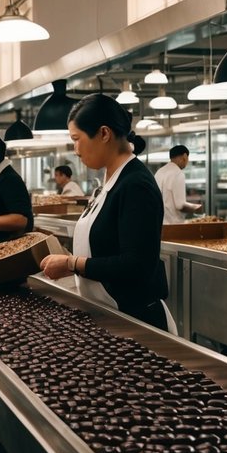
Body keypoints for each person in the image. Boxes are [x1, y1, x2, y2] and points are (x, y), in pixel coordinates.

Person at [39, 94, 173, 332]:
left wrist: (72, 263)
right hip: (108, 313)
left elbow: (136, 264)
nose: (76, 150)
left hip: (135, 320)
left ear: (103, 134)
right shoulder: (110, 180)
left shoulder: (135, 184)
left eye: (77, 139)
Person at [154, 145, 202, 224]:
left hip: (159, 224)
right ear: (185, 156)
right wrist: (196, 207)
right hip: (174, 225)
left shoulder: (159, 172)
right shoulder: (178, 173)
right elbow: (180, 205)